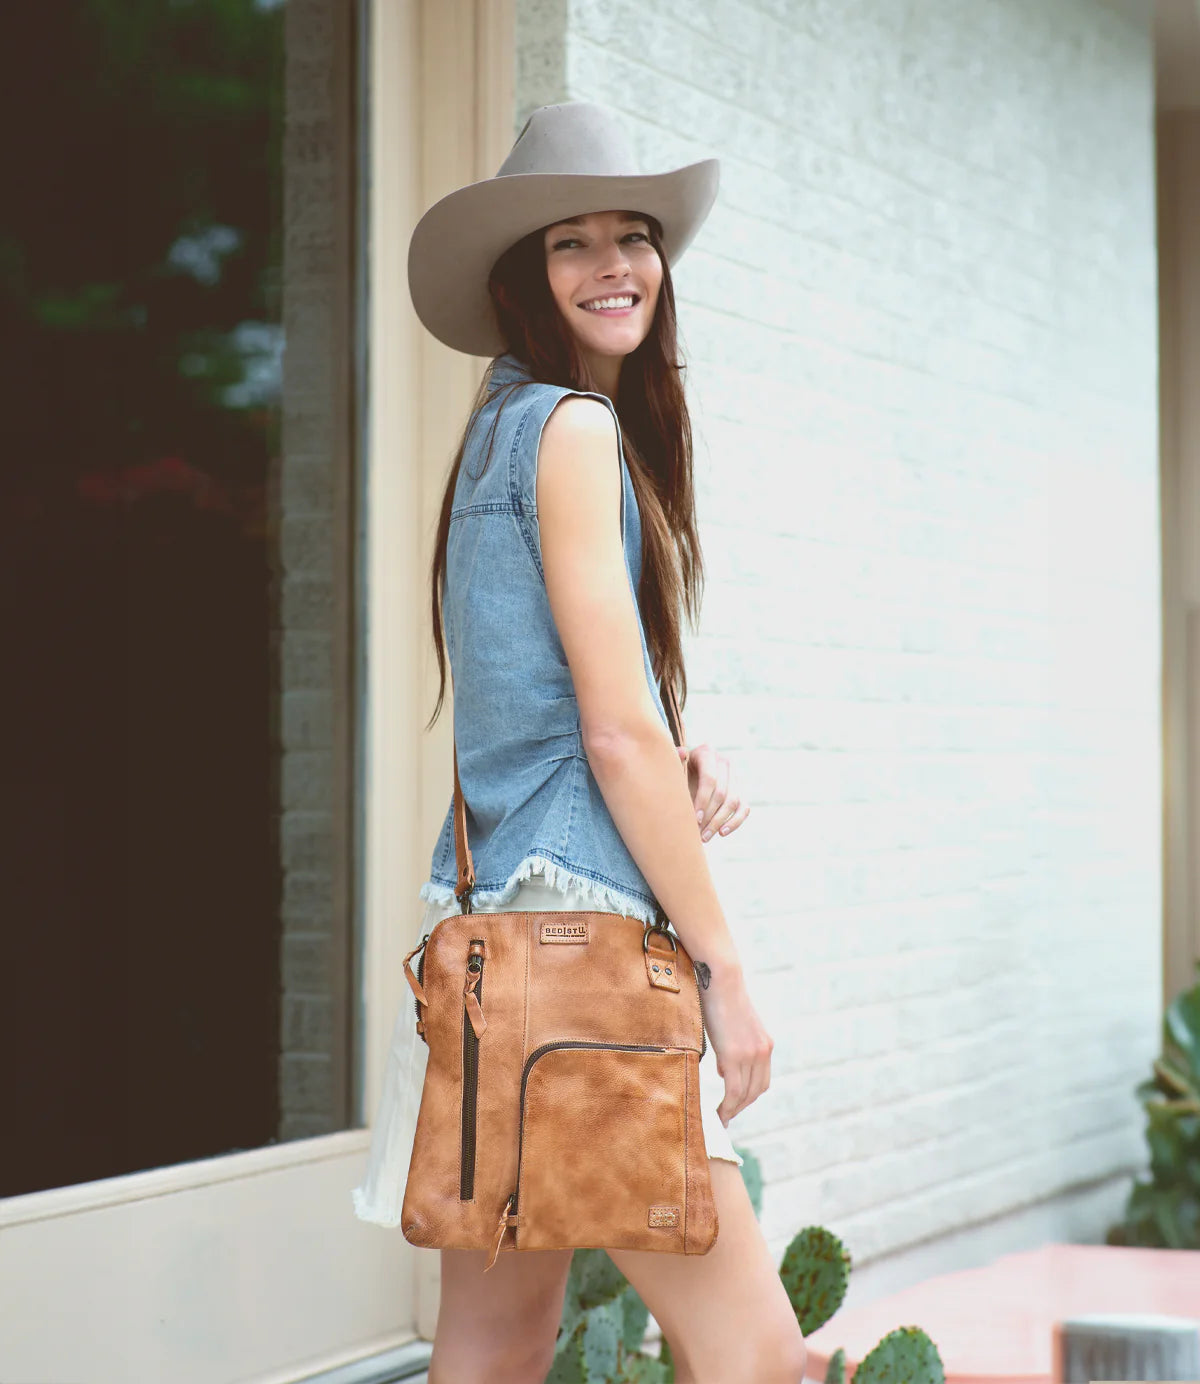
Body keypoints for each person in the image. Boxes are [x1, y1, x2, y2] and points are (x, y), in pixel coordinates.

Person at [352, 101, 807, 1384]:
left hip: (490, 946)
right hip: (588, 964)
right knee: (760, 1356)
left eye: (633, 237)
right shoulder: (574, 428)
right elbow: (606, 732)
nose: (614, 267)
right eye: (572, 244)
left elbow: (572, 717)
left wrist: (673, 751)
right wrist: (723, 970)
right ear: (523, 277)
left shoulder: (499, 432)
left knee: (495, 1347)